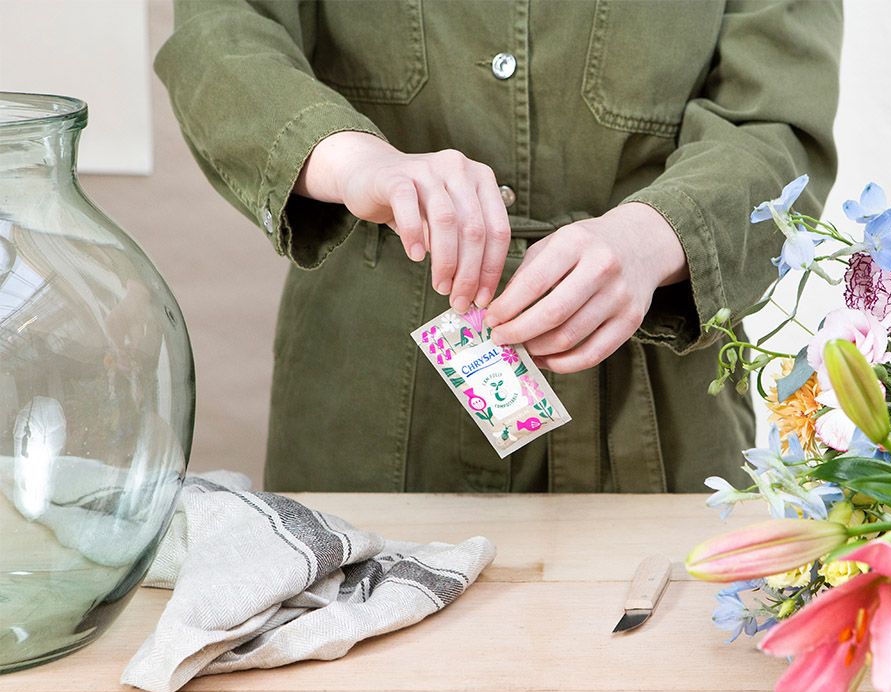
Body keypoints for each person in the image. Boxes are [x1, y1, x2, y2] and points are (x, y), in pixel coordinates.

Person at [156, 0, 841, 493]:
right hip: (363, 404)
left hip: (657, 402)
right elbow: (221, 28)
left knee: (651, 682)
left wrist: (650, 237)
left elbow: (777, 121)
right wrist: (356, 161)